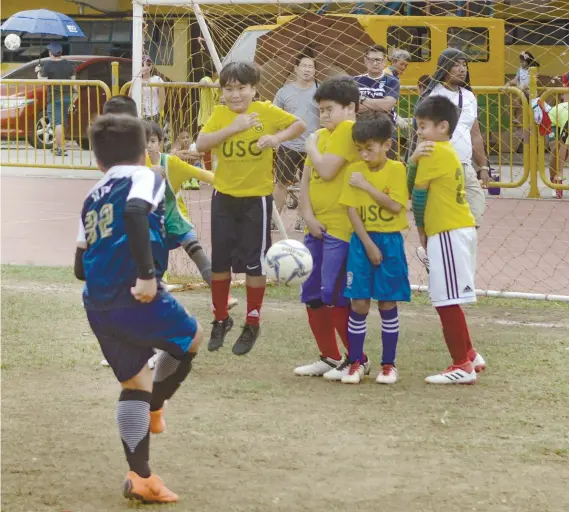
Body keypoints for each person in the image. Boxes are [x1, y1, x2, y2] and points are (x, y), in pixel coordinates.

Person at [74, 113, 203, 502]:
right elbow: (134, 212)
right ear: (142, 150)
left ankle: (141, 476)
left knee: (134, 384)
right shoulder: (146, 176)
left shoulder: (91, 196)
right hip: (136, 293)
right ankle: (157, 405)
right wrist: (146, 275)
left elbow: (80, 266)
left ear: (97, 160)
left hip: (98, 304)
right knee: (191, 339)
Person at [196, 62, 306, 355]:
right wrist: (233, 128)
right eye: (229, 88)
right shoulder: (220, 115)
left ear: (254, 89)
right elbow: (201, 143)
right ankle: (221, 317)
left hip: (256, 200)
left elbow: (299, 125)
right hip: (223, 197)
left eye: (241, 88)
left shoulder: (267, 112)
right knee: (219, 263)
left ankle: (253, 320)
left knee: (255, 263)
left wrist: (276, 138)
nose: (235, 95)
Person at [409, 95, 486, 384]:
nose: (419, 132)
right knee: (447, 298)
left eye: (424, 126)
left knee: (445, 301)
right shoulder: (445, 149)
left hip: (447, 232)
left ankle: (461, 366)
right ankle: (470, 354)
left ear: (442, 127)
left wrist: (421, 232)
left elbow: (415, 194)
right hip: (454, 230)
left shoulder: (433, 151)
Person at [294, 77, 366, 380]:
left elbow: (325, 169)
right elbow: (307, 179)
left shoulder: (348, 130)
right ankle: (329, 356)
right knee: (311, 292)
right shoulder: (323, 135)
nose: (323, 116)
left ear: (350, 108)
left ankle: (357, 359)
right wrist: (307, 215)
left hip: (341, 229)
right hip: (317, 228)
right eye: (320, 110)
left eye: (329, 109)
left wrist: (309, 145)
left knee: (335, 294)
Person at [339, 112, 411, 385]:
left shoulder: (397, 169)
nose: (364, 154)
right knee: (358, 302)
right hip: (361, 243)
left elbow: (394, 206)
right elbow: (351, 211)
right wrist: (367, 244)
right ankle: (355, 362)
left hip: (390, 241)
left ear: (386, 145)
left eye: (369, 148)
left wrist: (367, 186)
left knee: (387, 302)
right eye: (360, 149)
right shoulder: (353, 171)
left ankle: (388, 365)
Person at [272, 54, 320, 231]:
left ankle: (303, 218)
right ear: (296, 69)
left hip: (313, 145)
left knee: (310, 184)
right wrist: (277, 138)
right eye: (304, 66)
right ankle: (275, 218)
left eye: (311, 66)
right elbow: (273, 116)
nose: (307, 69)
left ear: (315, 70)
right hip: (288, 145)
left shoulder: (321, 91)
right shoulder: (284, 91)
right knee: (282, 183)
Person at [37, 43, 76, 157]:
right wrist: (74, 98)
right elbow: (74, 84)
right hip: (68, 98)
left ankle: (60, 148)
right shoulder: (69, 65)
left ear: (50, 53)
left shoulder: (48, 65)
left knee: (57, 124)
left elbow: (42, 81)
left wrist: (38, 71)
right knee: (61, 123)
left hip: (54, 98)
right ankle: (57, 146)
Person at [354, 45, 400, 123]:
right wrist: (378, 106)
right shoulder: (354, 81)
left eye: (378, 60)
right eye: (371, 60)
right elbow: (351, 107)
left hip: (384, 127)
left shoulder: (392, 81)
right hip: (359, 127)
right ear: (365, 60)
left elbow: (387, 106)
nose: (375, 63)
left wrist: (362, 99)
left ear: (384, 61)